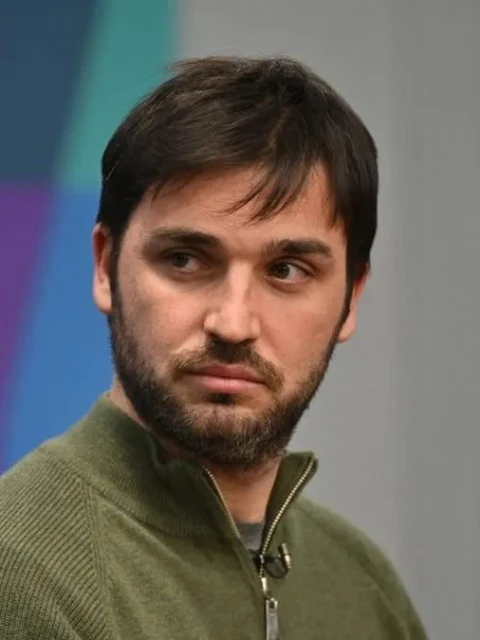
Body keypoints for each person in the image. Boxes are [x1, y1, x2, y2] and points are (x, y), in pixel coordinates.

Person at [0, 55, 427, 639]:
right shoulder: (21, 572)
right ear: (105, 267)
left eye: (287, 270)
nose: (233, 323)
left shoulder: (363, 587)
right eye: (185, 259)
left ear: (350, 299)